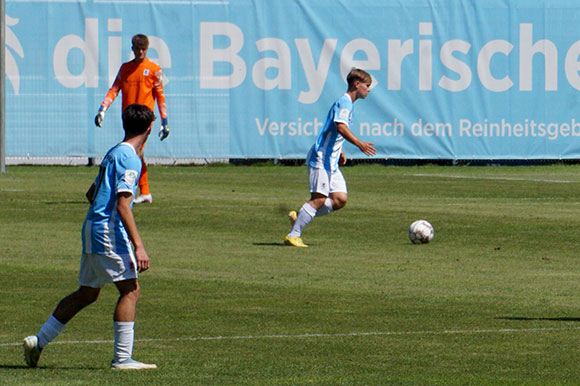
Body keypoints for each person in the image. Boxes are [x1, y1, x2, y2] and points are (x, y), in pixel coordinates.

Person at [24, 104, 157, 370]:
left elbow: (90, 194)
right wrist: (139, 246)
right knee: (130, 289)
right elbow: (122, 204)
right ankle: (122, 358)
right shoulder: (131, 158)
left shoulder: (113, 153)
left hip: (92, 226)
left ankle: (38, 341)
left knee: (87, 293)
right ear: (149, 128)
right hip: (109, 229)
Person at [285, 68, 377, 247]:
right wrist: (359, 144)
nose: (369, 90)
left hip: (331, 160)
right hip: (322, 158)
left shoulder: (347, 103)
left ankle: (301, 216)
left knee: (340, 199)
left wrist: (340, 149)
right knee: (318, 198)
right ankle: (293, 234)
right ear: (357, 85)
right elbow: (340, 126)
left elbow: (334, 130)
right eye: (367, 86)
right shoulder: (345, 102)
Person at [94, 34, 169, 204]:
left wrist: (164, 121)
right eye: (137, 49)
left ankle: (132, 191)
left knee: (134, 152)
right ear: (133, 49)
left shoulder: (154, 70)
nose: (140, 52)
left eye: (143, 49)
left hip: (144, 119)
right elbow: (114, 89)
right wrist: (103, 108)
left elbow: (160, 96)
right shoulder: (125, 69)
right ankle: (144, 192)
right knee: (136, 153)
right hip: (128, 118)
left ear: (147, 49)